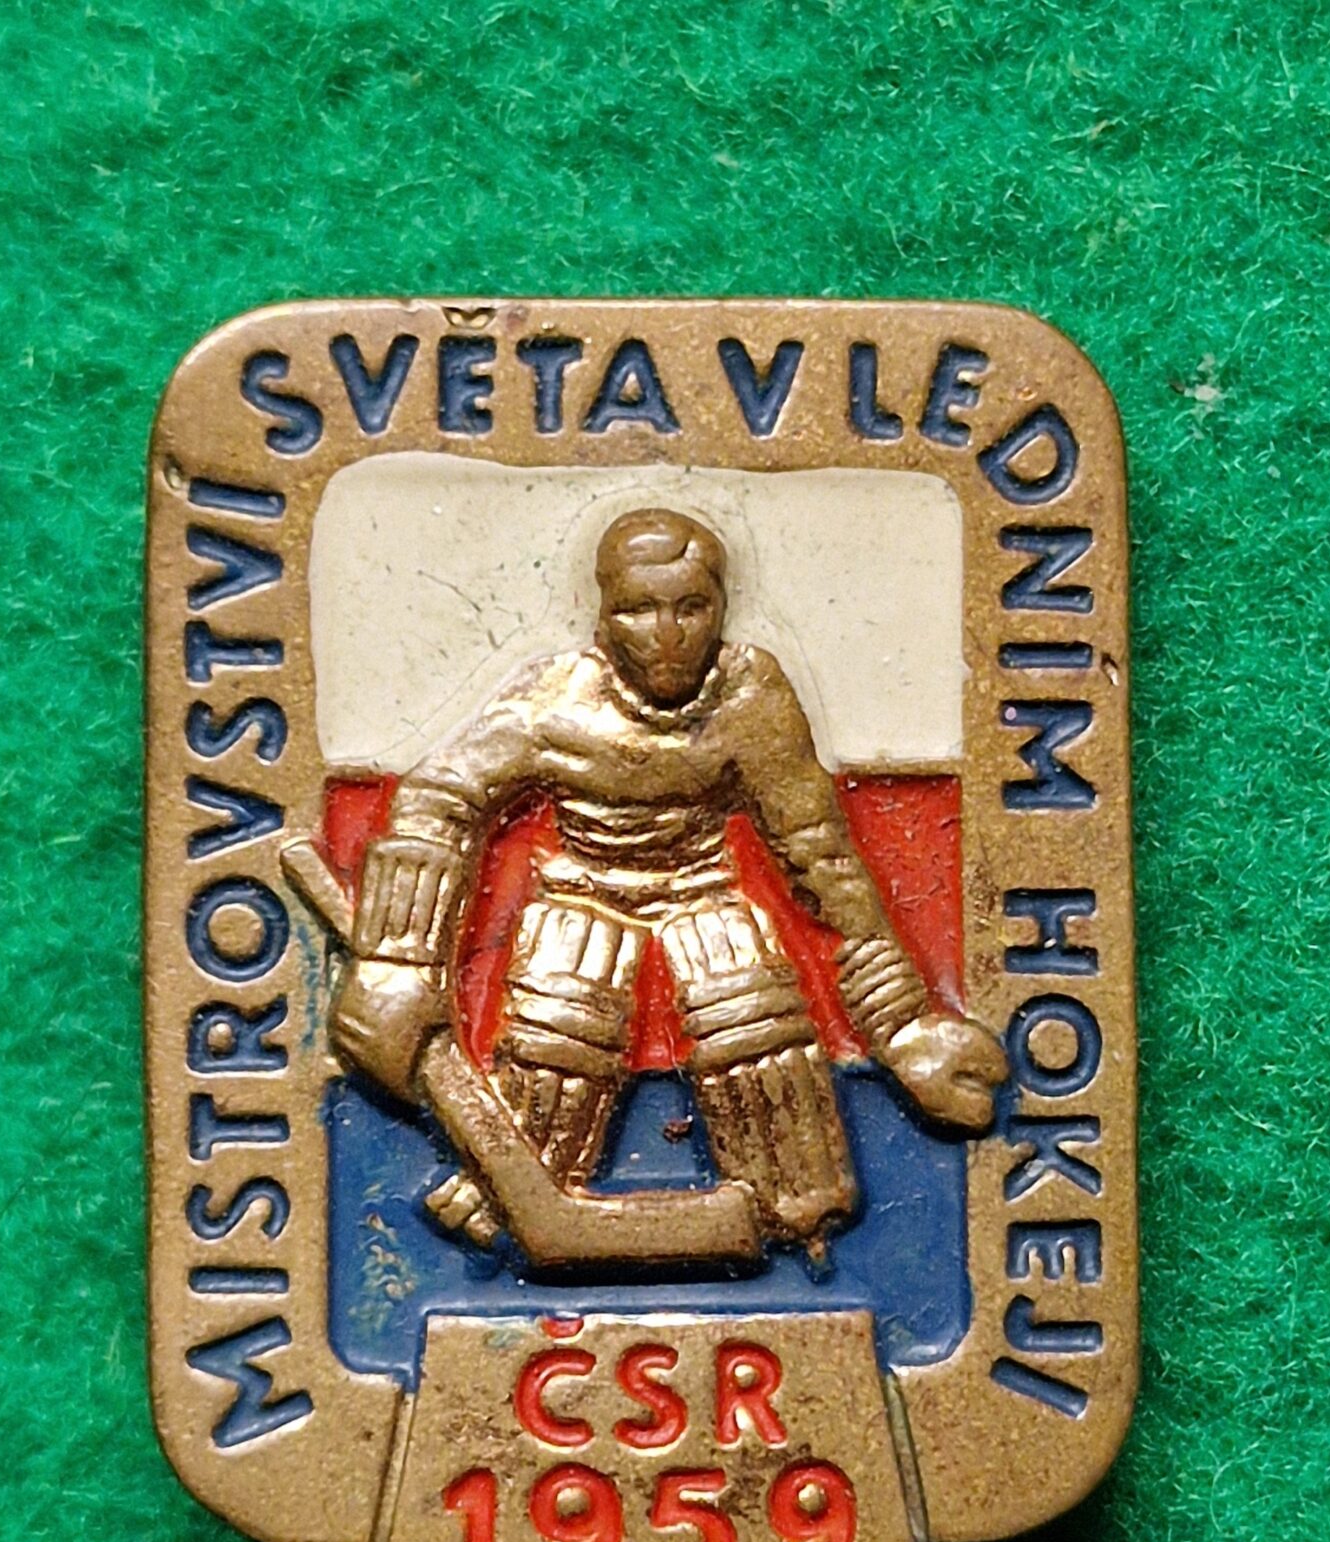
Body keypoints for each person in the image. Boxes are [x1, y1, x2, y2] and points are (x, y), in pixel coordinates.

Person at [332, 506, 1005, 1251]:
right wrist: (397, 962)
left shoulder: (751, 696)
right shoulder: (550, 699)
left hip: (702, 890)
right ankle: (504, 1195)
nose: (666, 634)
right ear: (603, 616)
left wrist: (904, 1026)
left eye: (690, 607)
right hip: (583, 891)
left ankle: (799, 1216)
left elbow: (819, 851)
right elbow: (439, 798)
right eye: (639, 609)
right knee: (562, 1005)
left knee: (751, 1011)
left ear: (720, 607)